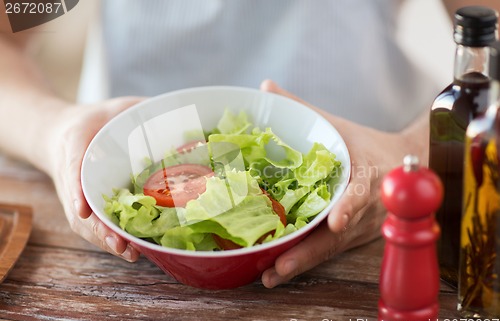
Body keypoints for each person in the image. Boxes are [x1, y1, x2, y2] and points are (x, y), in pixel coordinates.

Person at [0, 0, 498, 289]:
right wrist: (55, 128)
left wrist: (410, 155)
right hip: (119, 257)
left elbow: (488, 36)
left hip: (389, 226)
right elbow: (7, 31)